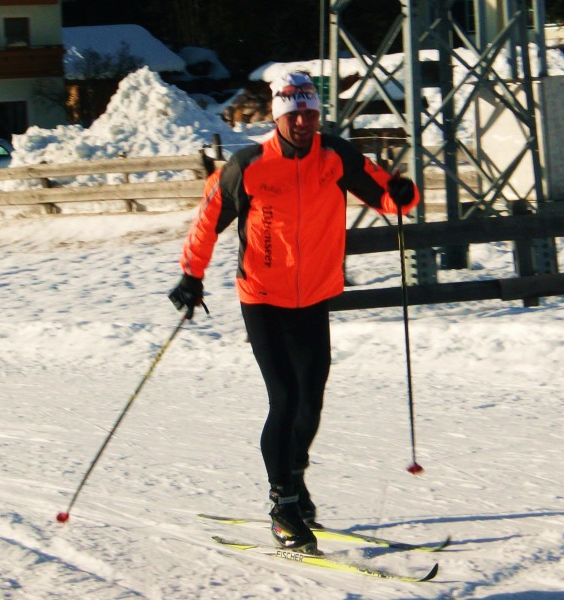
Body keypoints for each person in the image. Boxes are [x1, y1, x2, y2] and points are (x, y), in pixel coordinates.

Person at [169, 71, 418, 553]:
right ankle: (282, 507)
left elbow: (384, 192)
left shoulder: (336, 155)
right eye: (294, 114)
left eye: (310, 113)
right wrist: (191, 275)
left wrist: (402, 196)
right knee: (283, 397)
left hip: (315, 296)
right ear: (279, 116)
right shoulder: (249, 165)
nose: (303, 122)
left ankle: (295, 481)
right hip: (263, 296)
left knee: (311, 400)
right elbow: (208, 219)